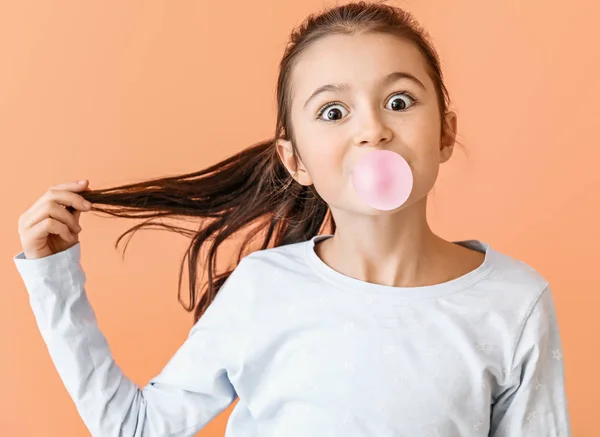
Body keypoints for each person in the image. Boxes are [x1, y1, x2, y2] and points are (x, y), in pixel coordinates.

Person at [14, 1, 571, 436]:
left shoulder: (513, 303)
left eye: (400, 101)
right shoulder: (264, 290)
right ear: (296, 160)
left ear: (445, 132)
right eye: (334, 111)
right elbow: (133, 428)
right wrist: (55, 281)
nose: (373, 129)